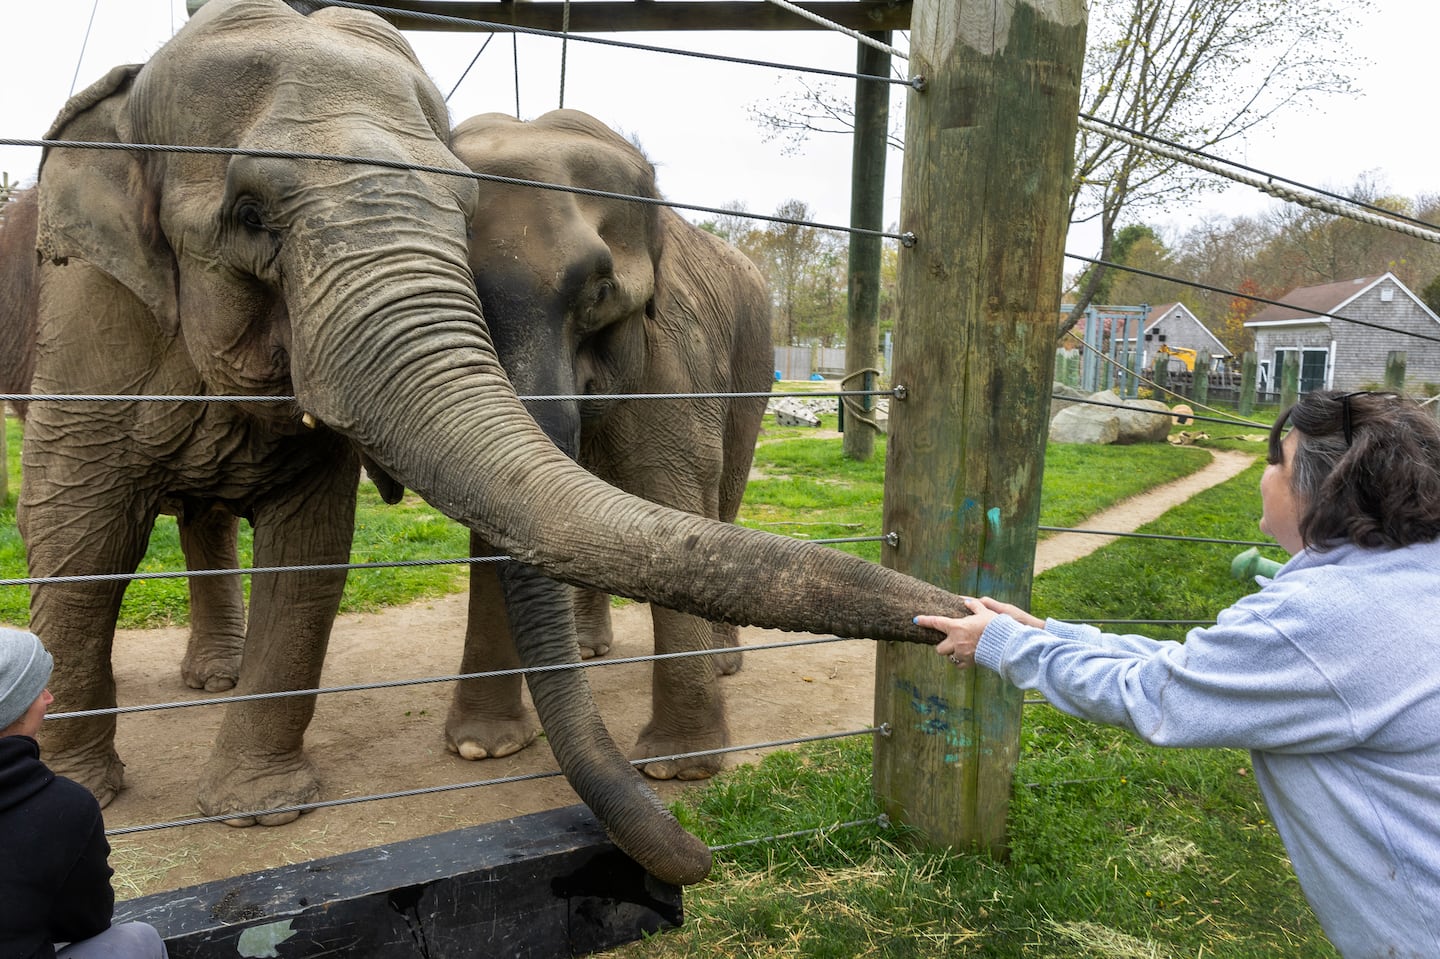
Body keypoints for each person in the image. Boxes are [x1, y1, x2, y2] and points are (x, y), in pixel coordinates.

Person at [915, 390, 1440, 959]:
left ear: (1322, 488)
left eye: (1275, 460)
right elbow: (1204, 667)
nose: (1264, 475)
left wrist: (1003, 646)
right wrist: (1050, 635)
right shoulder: (1406, 572)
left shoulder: (1322, 616)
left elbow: (1155, 697)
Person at [0, 627, 168, 959]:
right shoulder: (63, 806)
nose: (49, 698)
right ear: (15, 705)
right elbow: (86, 922)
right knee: (139, 938)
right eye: (36, 690)